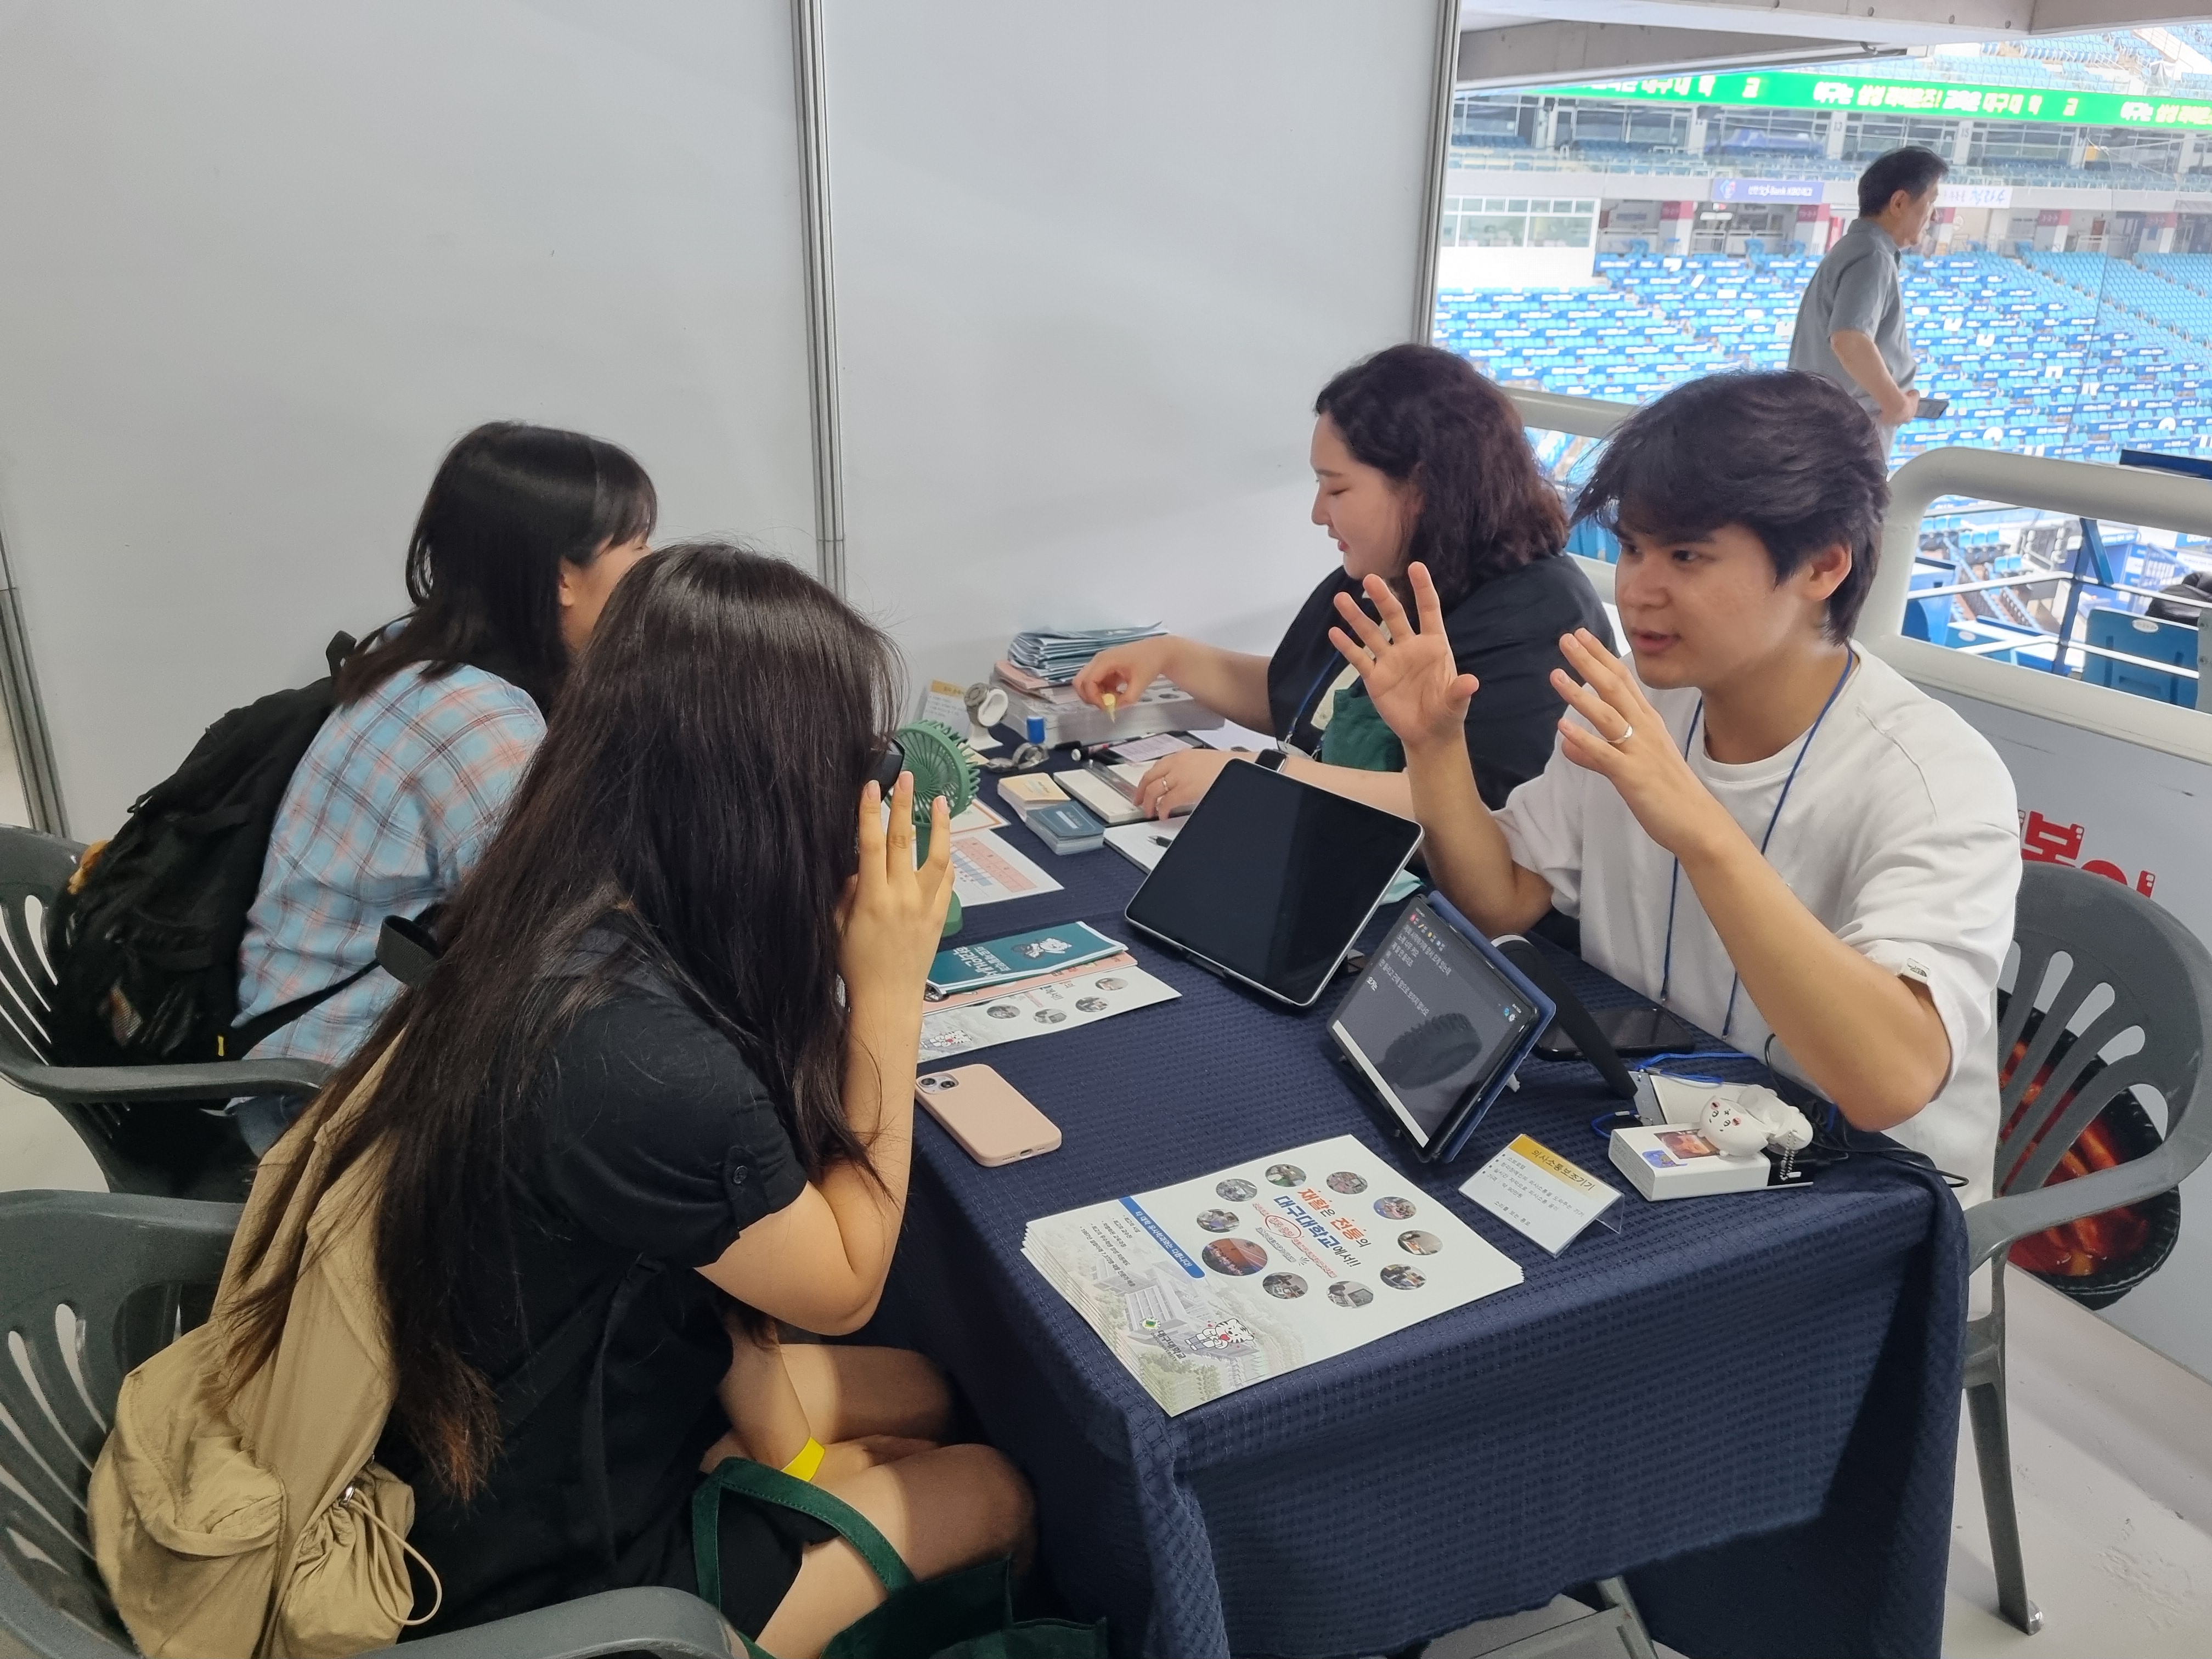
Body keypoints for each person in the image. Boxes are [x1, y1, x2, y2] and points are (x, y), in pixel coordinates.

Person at [217, 544, 1032, 1654]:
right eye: (843, 755)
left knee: (926, 1391)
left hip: (559, 1397)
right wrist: (887, 993)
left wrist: (794, 1455)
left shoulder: (563, 904)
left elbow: (710, 1264)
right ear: (759, 788)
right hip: (530, 1562)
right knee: (993, 1492)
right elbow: (845, 1281)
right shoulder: (639, 1061)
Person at [1327, 371, 2019, 1206]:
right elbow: (1500, 900)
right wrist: (1435, 748)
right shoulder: (1637, 698)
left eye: (1686, 556)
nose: (1638, 589)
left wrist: (1703, 830)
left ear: (1823, 565)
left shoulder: (1935, 777)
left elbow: (1889, 1083)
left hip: (1860, 1193)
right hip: (1651, 1125)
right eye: (1631, 548)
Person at [230, 422, 656, 1152]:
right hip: (327, 1099)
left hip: (311, 1038)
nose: (651, 573)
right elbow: (563, 930)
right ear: (563, 576)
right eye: (638, 549)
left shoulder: (416, 649)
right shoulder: (476, 721)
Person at [1072, 344, 1610, 819]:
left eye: (1337, 489)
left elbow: (1478, 807)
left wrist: (1263, 777)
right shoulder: (1381, 572)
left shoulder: (1541, 616)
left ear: (1421, 486)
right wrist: (1168, 656)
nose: (1317, 514)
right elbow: (1298, 700)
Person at [1788, 145, 1948, 451]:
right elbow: (1850, 339)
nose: (1935, 214)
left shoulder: (1857, 248)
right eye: (1931, 201)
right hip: (1844, 440)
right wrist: (1898, 405)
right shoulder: (1872, 255)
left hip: (1827, 431)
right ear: (1899, 203)